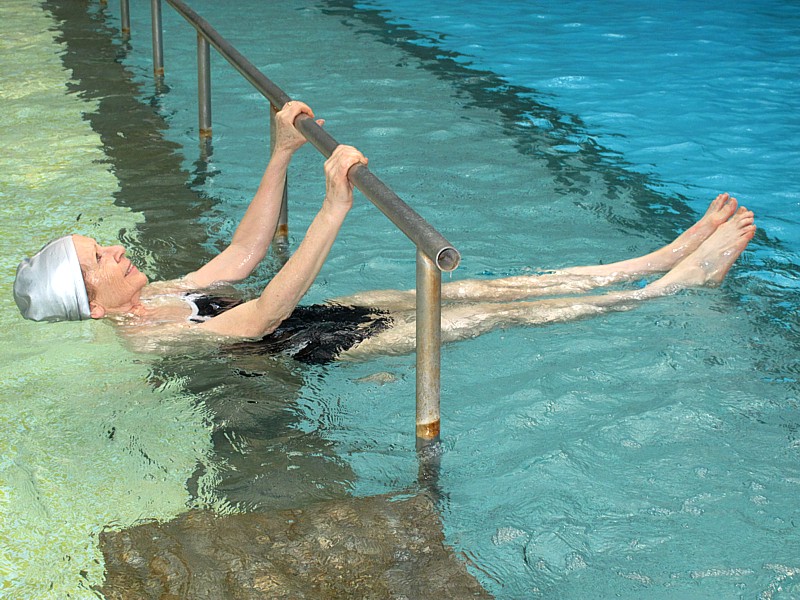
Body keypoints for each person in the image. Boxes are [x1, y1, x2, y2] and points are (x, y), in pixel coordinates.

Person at [13, 101, 756, 363]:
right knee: (509, 315)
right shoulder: (150, 337)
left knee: (485, 289)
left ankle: (656, 254)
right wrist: (333, 207)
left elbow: (242, 255)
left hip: (311, 314)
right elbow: (263, 314)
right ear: (95, 304)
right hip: (314, 346)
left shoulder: (162, 293)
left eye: (101, 244)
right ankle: (667, 287)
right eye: (100, 258)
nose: (115, 248)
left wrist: (280, 152)